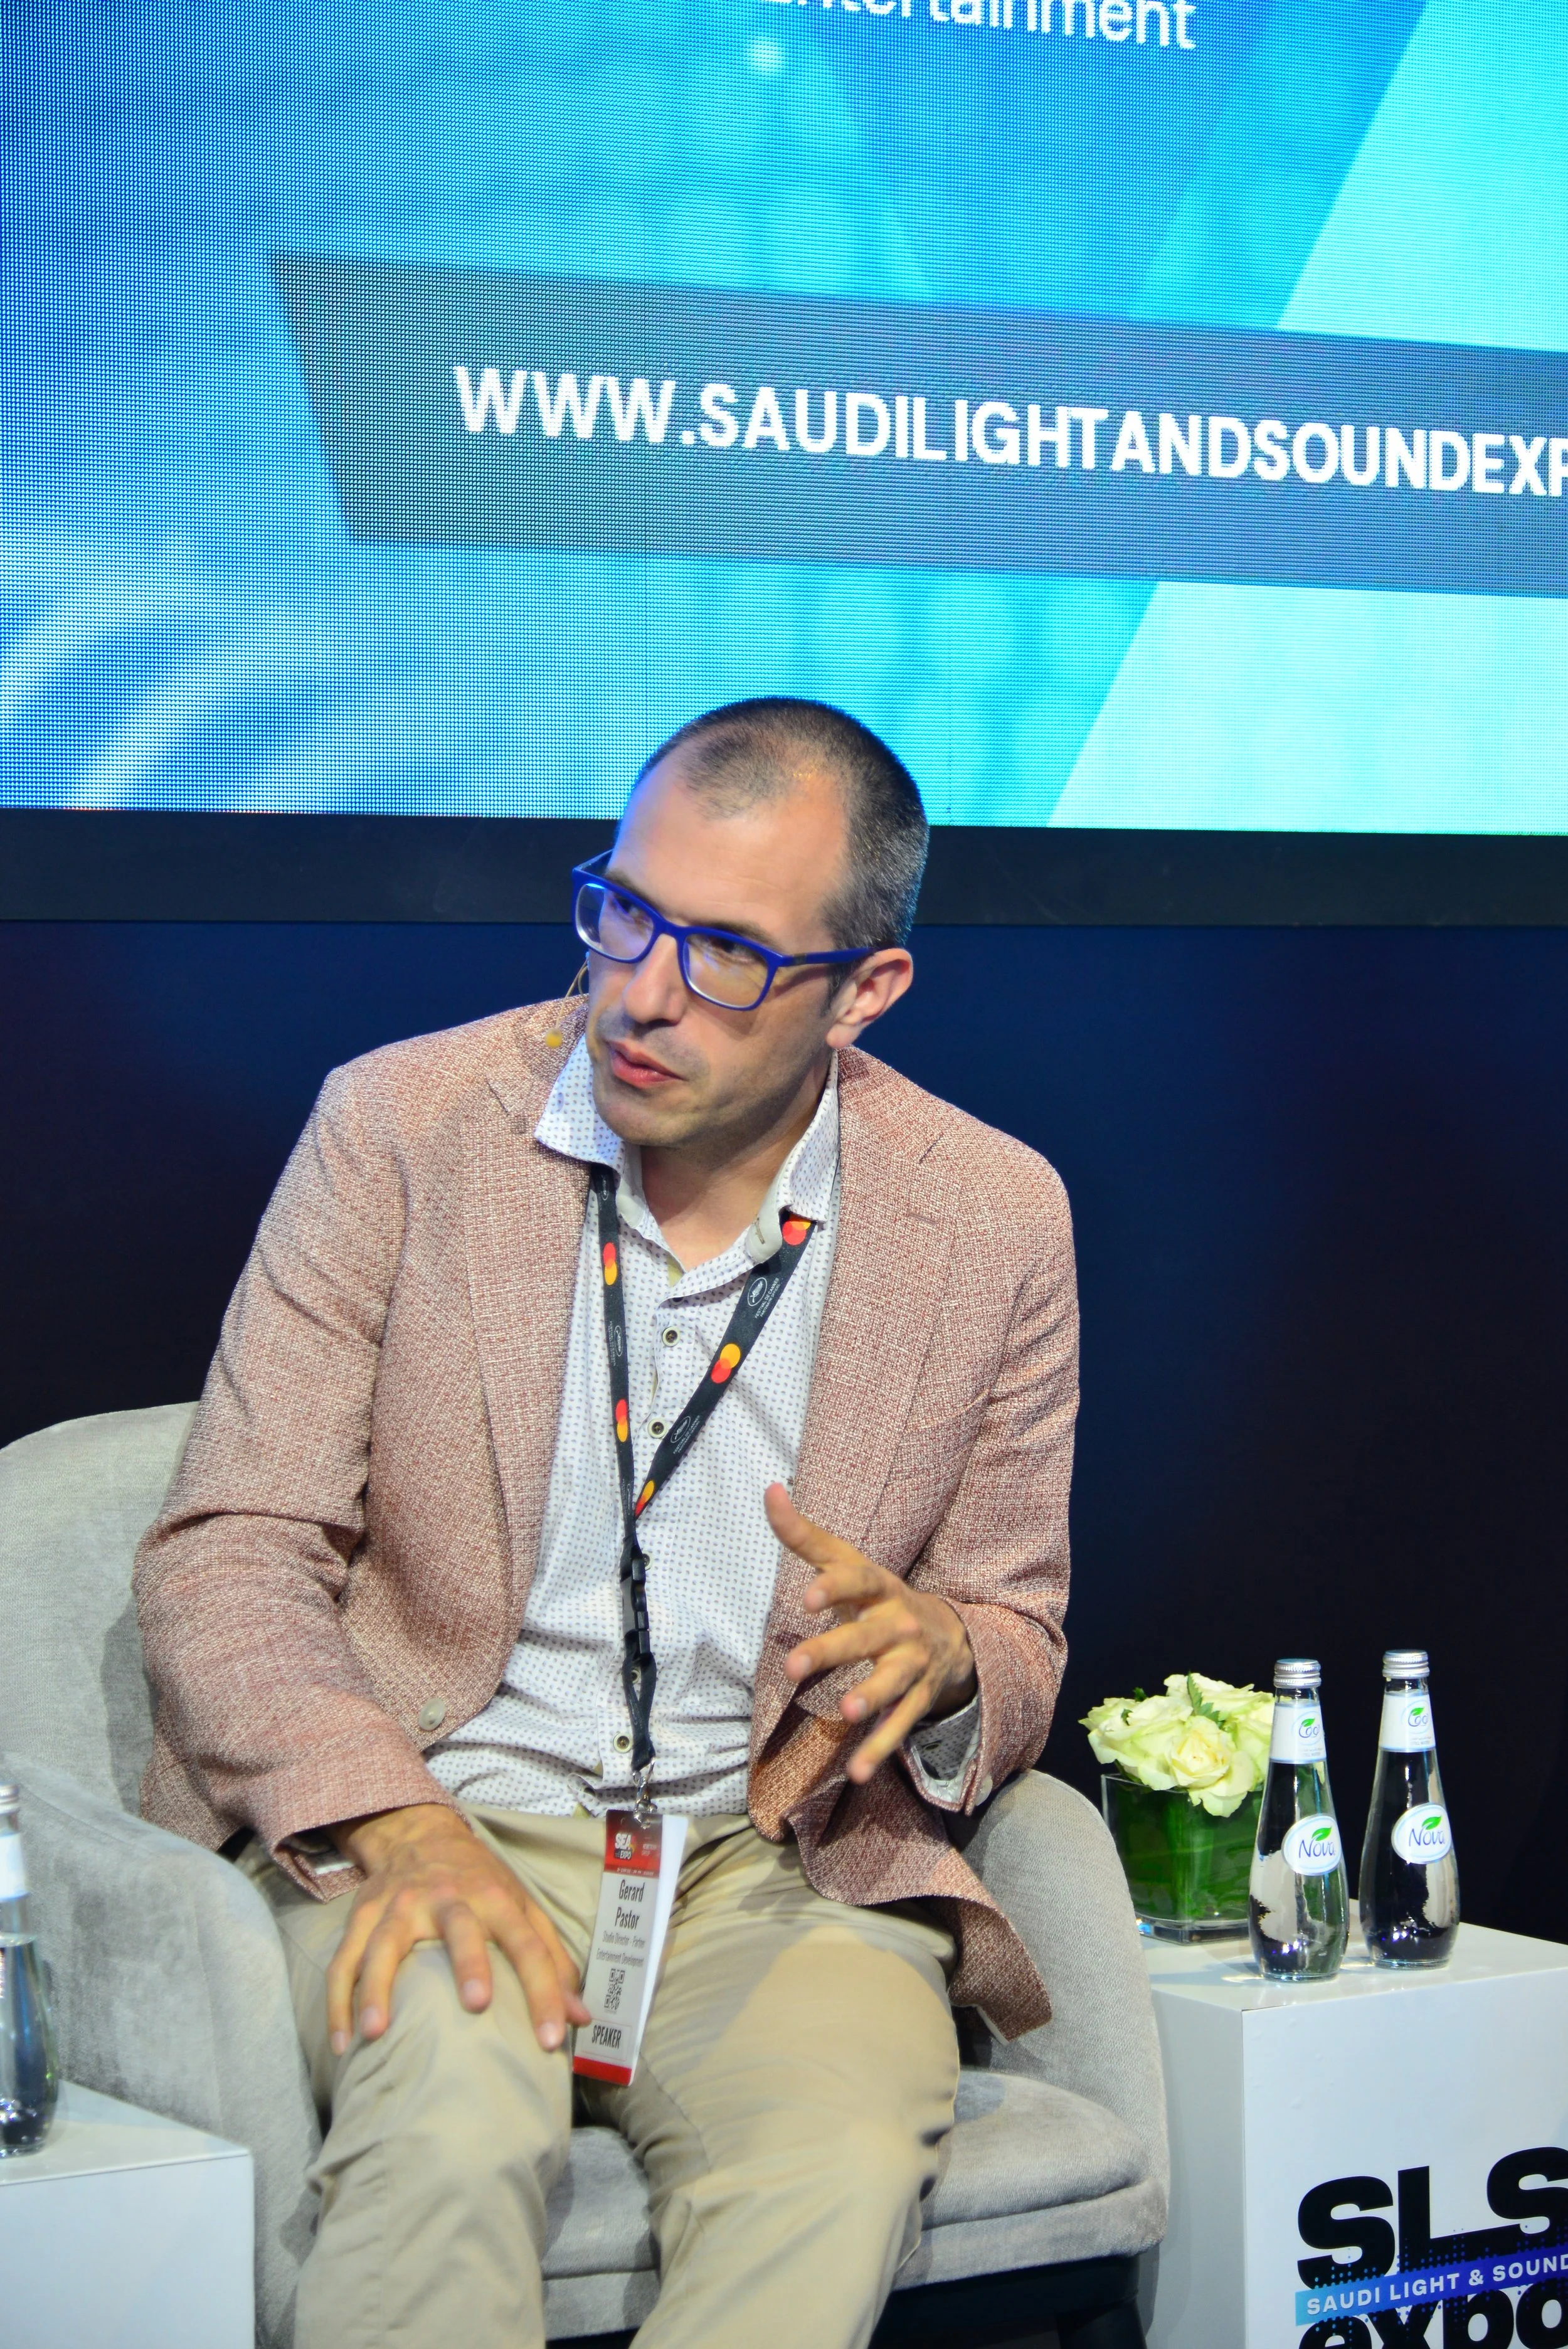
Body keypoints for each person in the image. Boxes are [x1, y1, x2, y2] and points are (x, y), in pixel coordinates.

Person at [135, 696, 1079, 2349]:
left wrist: (942, 1659)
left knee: (837, 2151)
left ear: (864, 991)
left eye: (724, 953)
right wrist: (393, 1822)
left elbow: (1011, 1624)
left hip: (771, 1861)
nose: (639, 993)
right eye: (623, 910)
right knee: (448, 2113)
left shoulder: (989, 1215)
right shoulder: (403, 1130)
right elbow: (231, 1543)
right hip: (437, 1810)